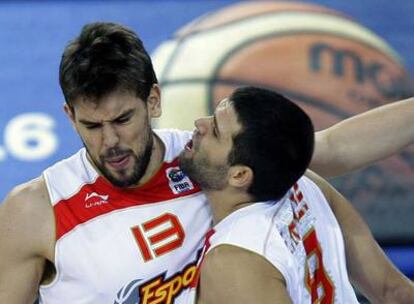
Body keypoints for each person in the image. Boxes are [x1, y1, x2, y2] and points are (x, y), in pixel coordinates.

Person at [0, 22, 413, 303]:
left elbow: (330, 149)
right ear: (69, 116)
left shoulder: (209, 164)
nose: (110, 143)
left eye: (123, 120)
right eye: (91, 125)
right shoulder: (35, 210)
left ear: (153, 100)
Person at [180, 86, 414, 304]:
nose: (200, 124)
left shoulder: (234, 260)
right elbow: (393, 291)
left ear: (240, 175)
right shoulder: (306, 185)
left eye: (216, 131)